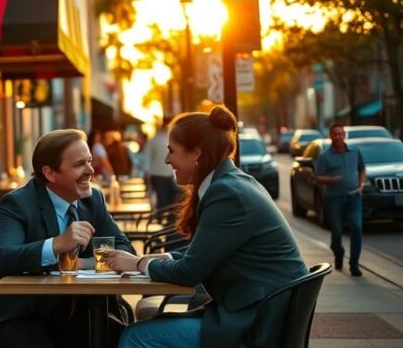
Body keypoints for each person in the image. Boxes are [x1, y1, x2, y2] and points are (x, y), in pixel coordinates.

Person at [104, 106, 308, 348]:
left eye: (172, 151)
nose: (167, 159)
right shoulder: (234, 183)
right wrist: (152, 258)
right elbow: (202, 252)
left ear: (196, 154)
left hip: (257, 323)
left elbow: (190, 271)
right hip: (258, 312)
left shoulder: (226, 193)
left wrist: (138, 264)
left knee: (136, 336)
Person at [0, 129, 134, 348]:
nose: (90, 170)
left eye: (90, 161)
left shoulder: (93, 199)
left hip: (82, 311)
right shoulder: (18, 203)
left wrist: (80, 263)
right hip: (25, 315)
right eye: (79, 164)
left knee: (132, 340)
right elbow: (2, 259)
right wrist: (56, 245)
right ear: (50, 173)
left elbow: (124, 249)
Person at [314, 122, 365, 276]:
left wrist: (361, 185)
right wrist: (331, 180)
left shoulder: (355, 151)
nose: (338, 137)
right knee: (337, 231)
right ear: (330, 136)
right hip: (334, 198)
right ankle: (338, 252)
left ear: (344, 135)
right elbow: (317, 177)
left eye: (340, 133)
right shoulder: (324, 156)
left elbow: (362, 169)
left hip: (354, 196)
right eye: (335, 134)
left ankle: (354, 264)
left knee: (356, 227)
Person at [143, 118, 178, 209]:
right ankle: (167, 220)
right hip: (168, 174)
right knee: (170, 200)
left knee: (162, 199)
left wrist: (147, 173)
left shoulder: (153, 140)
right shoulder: (172, 139)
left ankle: (161, 219)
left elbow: (147, 157)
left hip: (158, 174)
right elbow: (148, 157)